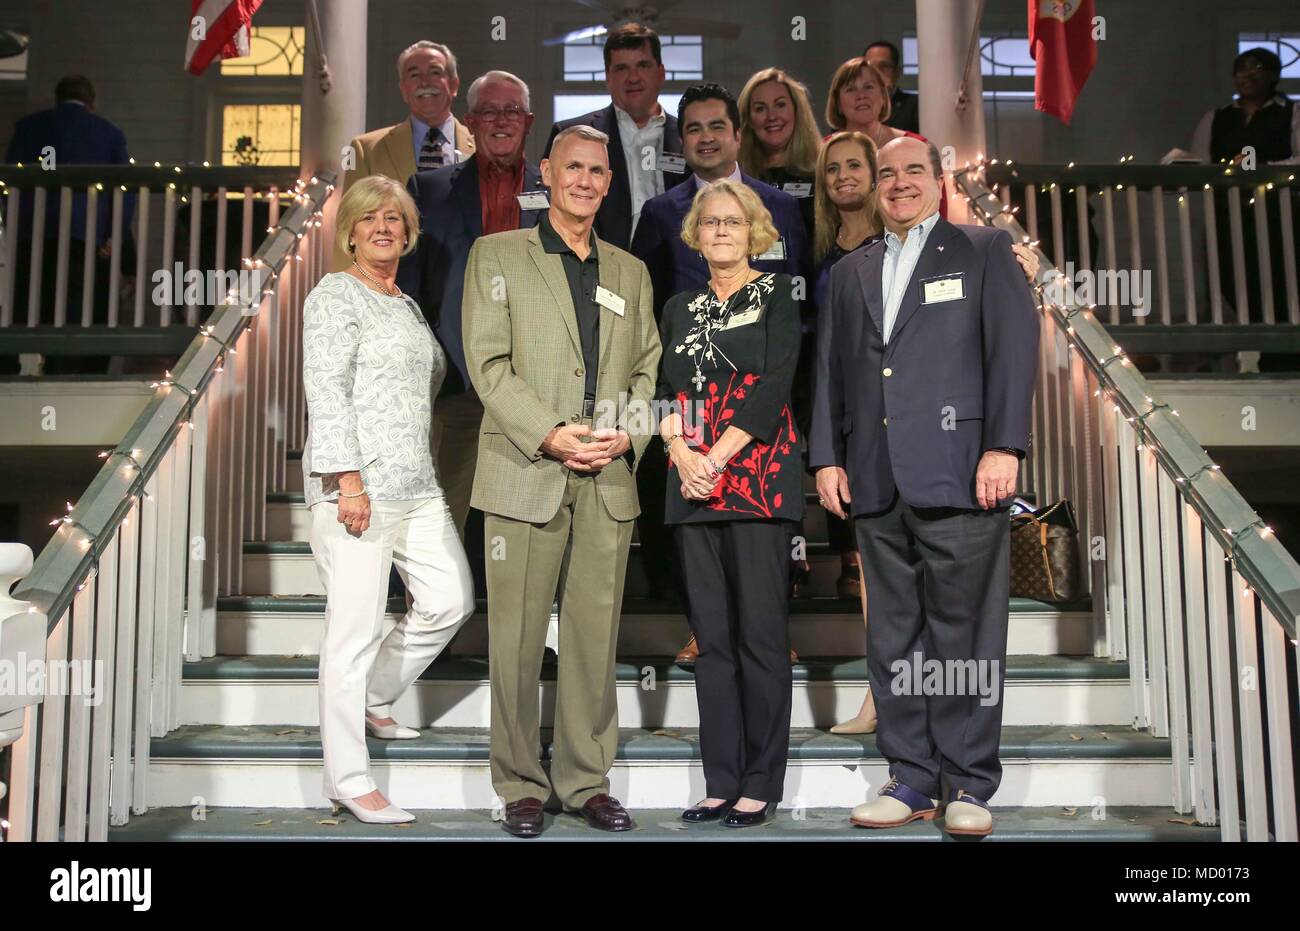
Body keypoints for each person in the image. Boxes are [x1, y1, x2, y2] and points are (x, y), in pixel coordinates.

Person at [810, 136, 1039, 837]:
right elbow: (832, 374)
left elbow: (1012, 352)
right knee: (895, 636)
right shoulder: (850, 272)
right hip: (875, 479)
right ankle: (910, 777)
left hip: (963, 471)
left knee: (965, 637)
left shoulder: (983, 250)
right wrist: (826, 456)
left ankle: (968, 780)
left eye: (914, 171)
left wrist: (1004, 445)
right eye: (887, 174)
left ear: (939, 181)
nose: (900, 183)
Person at [461, 124, 662, 838]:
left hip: (606, 475)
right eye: (571, 166)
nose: (583, 179)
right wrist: (549, 432)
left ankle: (585, 780)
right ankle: (518, 781)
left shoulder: (630, 271)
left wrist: (625, 431)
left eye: (596, 170)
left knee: (591, 637)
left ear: (610, 182)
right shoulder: (497, 254)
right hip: (526, 468)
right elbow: (486, 364)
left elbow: (647, 371)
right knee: (514, 636)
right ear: (545, 172)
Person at [303, 175, 476, 825]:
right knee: (350, 633)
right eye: (370, 218)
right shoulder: (334, 296)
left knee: (451, 597)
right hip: (357, 487)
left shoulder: (404, 302)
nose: (384, 226)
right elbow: (327, 391)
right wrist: (347, 482)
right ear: (349, 231)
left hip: (416, 484)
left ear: (409, 232)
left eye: (395, 218)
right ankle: (348, 778)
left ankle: (376, 696)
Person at [631, 83, 808, 631]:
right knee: (697, 545)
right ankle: (697, 630)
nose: (705, 138)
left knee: (764, 566)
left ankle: (772, 632)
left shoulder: (781, 206)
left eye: (716, 126)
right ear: (681, 140)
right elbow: (648, 307)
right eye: (693, 129)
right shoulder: (661, 212)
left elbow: (803, 303)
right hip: (689, 405)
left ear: (737, 133)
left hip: (764, 406)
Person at [657, 181, 803, 828]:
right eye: (710, 222)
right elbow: (667, 391)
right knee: (711, 642)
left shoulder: (775, 293)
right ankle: (721, 781)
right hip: (691, 486)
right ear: (695, 232)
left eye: (733, 222)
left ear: (755, 232)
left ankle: (760, 782)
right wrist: (682, 455)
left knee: (761, 638)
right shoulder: (679, 307)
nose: (720, 231)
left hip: (756, 478)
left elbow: (773, 384)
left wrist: (716, 455)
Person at [397, 70, 545, 545]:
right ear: (470, 120)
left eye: (511, 111)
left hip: (537, 386)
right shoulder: (428, 190)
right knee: (444, 515)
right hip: (458, 382)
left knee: (530, 521)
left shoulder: (562, 189)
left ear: (528, 120)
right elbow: (409, 295)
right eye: (489, 111)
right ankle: (428, 612)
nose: (500, 121)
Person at [5, 75, 136, 358]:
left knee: (31, 303)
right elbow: (124, 189)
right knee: (77, 305)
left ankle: (18, 364)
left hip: (33, 232)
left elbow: (9, 185)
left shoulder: (29, 128)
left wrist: (12, 229)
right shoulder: (109, 134)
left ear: (57, 98)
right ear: (92, 102)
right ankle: (64, 364)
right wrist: (114, 236)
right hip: (84, 233)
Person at [543, 22, 689, 250]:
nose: (633, 78)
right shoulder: (568, 134)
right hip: (600, 270)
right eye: (621, 68)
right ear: (607, 77)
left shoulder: (688, 138)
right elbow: (549, 212)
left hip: (674, 275)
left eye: (642, 65)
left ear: (661, 73)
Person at [331, 41, 475, 271]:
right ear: (403, 89)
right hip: (390, 282)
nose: (425, 82)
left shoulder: (481, 148)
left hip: (463, 282)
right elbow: (349, 227)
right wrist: (345, 291)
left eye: (435, 72)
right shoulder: (366, 149)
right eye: (414, 75)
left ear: (454, 84)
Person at [826, 57, 947, 219]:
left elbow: (939, 207)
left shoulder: (918, 146)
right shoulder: (823, 149)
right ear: (838, 103)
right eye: (850, 89)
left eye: (868, 87)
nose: (861, 95)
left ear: (883, 96)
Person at [737, 67, 822, 241]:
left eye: (780, 105)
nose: (772, 116)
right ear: (748, 120)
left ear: (796, 111)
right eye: (760, 109)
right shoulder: (737, 178)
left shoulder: (822, 172)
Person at [864, 40, 920, 134]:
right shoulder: (854, 106)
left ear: (897, 72)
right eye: (870, 68)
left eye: (884, 67)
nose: (876, 73)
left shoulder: (915, 105)